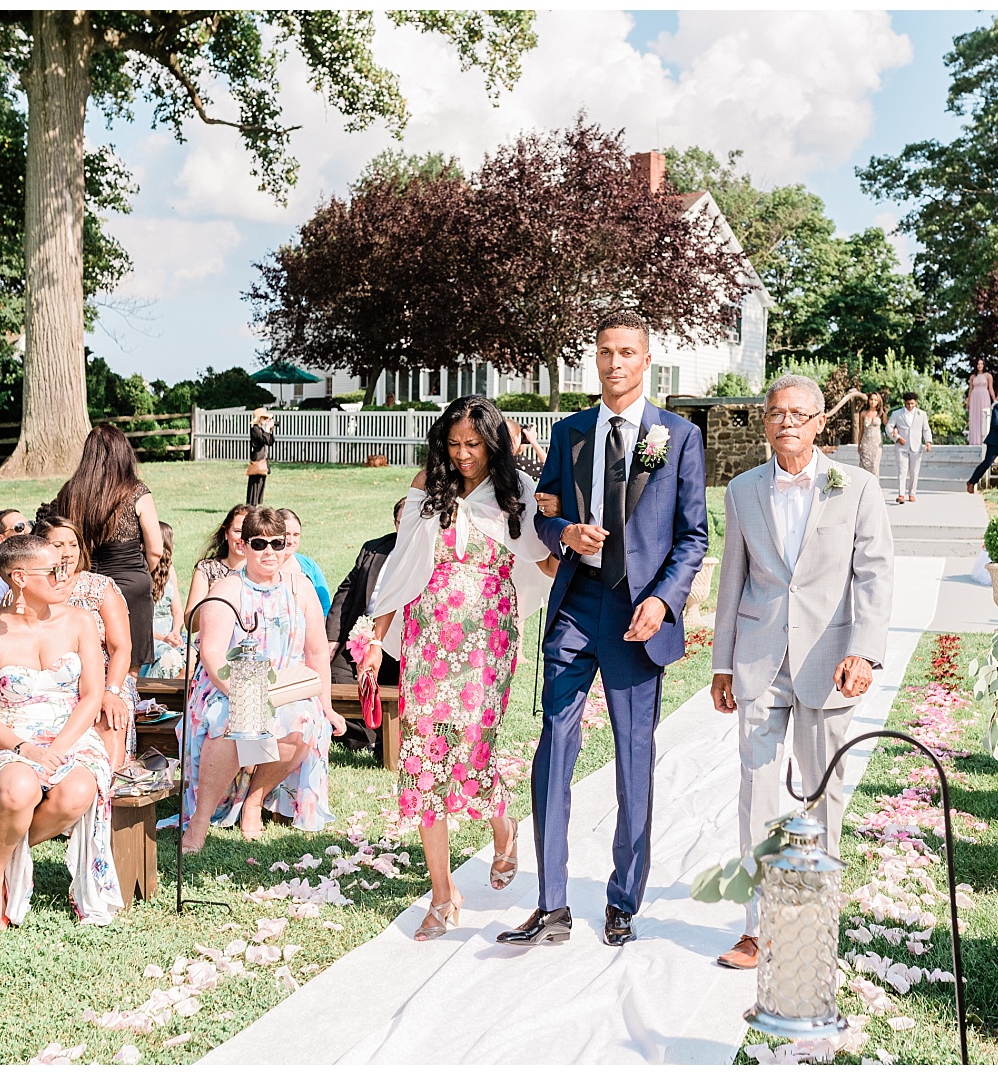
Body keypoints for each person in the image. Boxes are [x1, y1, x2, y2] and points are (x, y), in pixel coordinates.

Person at [497, 309, 708, 950]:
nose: (614, 363)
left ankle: (623, 899)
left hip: (637, 618)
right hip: (576, 604)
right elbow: (541, 517)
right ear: (595, 358)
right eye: (605, 352)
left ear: (647, 361)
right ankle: (551, 904)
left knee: (632, 758)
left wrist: (665, 603)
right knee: (552, 751)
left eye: (626, 353)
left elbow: (694, 535)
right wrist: (563, 533)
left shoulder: (677, 437)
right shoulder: (570, 433)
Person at [710, 374, 895, 970]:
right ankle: (758, 929)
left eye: (797, 413)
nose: (785, 421)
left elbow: (874, 573)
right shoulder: (742, 491)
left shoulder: (858, 488)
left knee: (821, 798)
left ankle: (814, 925)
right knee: (757, 796)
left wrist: (864, 652)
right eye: (775, 413)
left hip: (829, 662)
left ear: (820, 422)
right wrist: (720, 664)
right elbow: (731, 580)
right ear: (764, 423)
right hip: (759, 662)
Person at [359, 397, 554, 941]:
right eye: (454, 444)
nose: (464, 455)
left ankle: (503, 827)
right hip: (427, 636)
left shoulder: (514, 493)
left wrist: (579, 535)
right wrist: (374, 638)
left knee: (472, 748)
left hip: (488, 640)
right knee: (423, 759)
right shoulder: (429, 485)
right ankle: (443, 895)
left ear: (494, 444)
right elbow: (400, 566)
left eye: (474, 445)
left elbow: (545, 558)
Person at [0, 534, 122, 927]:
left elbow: (91, 696)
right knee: (20, 789)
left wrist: (60, 747)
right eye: (54, 570)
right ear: (19, 577)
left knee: (78, 792)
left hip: (73, 734)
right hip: (11, 737)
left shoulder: (81, 622)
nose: (65, 575)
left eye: (66, 566)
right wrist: (27, 749)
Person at [181, 508, 344, 852]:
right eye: (259, 543)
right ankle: (200, 821)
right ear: (243, 545)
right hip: (228, 685)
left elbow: (316, 652)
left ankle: (255, 799)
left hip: (286, 685)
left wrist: (327, 707)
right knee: (229, 719)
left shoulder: (300, 588)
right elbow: (212, 654)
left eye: (277, 543)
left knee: (303, 719)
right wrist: (243, 694)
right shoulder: (227, 588)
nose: (270, 551)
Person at [52, 424, 164, 677]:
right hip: (130, 583)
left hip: (83, 583)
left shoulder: (69, 492)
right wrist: (143, 572)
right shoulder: (136, 492)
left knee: (86, 663)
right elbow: (156, 550)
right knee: (128, 668)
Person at [33, 515, 136, 768]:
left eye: (73, 545)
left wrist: (111, 690)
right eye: (58, 546)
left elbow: (120, 647)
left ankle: (106, 789)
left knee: (108, 714)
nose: (67, 553)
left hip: (106, 678)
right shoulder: (32, 590)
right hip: (51, 679)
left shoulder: (99, 587)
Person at [326, 498, 405, 754]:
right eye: (401, 523)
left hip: (402, 643)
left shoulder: (432, 553)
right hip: (361, 635)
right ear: (395, 523)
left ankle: (384, 737)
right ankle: (364, 737)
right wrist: (332, 637)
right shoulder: (374, 549)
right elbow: (346, 593)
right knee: (334, 679)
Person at [186, 504, 252, 623]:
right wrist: (213, 596)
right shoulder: (207, 569)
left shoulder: (261, 570)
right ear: (226, 533)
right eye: (237, 531)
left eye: (248, 532)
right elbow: (190, 623)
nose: (242, 538)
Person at [144, 520, 186, 679]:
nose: (174, 545)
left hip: (171, 636)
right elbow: (137, 624)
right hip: (150, 638)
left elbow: (177, 611)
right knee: (170, 658)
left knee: (194, 657)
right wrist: (164, 638)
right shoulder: (141, 573)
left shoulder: (169, 570)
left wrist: (175, 632)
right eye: (172, 541)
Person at [277, 509, 332, 619]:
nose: (291, 540)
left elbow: (325, 606)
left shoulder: (309, 566)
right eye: (286, 534)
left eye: (296, 534)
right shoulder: (263, 565)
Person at [886, 391, 933, 504]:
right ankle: (901, 494)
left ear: (916, 402)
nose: (910, 406)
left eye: (912, 403)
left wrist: (928, 442)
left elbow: (926, 429)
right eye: (908, 404)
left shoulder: (922, 414)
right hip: (901, 447)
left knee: (914, 472)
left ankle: (912, 493)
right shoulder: (897, 414)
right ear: (904, 403)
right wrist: (897, 437)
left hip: (916, 447)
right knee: (902, 471)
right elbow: (888, 427)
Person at [247, 408, 275, 505]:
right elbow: (263, 440)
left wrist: (270, 430)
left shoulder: (260, 429)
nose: (266, 420)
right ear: (258, 419)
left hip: (263, 459)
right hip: (257, 459)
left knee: (261, 482)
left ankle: (257, 503)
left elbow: (270, 441)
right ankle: (252, 504)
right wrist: (267, 429)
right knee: (255, 483)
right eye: (264, 418)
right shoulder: (255, 429)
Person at [965, 358, 994, 445]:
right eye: (978, 364)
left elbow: (991, 388)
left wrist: (995, 399)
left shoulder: (988, 376)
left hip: (984, 396)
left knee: (984, 417)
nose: (980, 366)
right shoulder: (973, 377)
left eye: (981, 364)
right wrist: (968, 401)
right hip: (975, 397)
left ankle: (985, 439)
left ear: (984, 365)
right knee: (975, 418)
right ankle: (975, 440)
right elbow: (970, 389)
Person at [856, 391, 885, 476]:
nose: (873, 402)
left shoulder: (881, 413)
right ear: (868, 400)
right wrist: (859, 444)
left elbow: (888, 425)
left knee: (874, 466)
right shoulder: (863, 413)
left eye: (875, 400)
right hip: (866, 442)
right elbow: (861, 430)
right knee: (864, 467)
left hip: (877, 444)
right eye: (871, 399)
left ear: (878, 401)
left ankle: (875, 487)